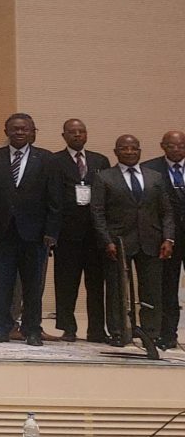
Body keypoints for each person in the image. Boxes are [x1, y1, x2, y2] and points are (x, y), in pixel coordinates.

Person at [0, 113, 63, 347]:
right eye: (14, 129)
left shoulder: (46, 159)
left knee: (33, 285)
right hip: (2, 232)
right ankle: (1, 328)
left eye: (24, 129)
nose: (19, 132)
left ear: (32, 132)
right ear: (6, 131)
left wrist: (51, 232)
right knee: (3, 283)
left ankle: (32, 330)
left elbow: (55, 200)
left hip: (36, 234)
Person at [92, 135, 174, 360]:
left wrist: (169, 239)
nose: (129, 152)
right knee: (118, 290)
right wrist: (106, 240)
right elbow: (97, 212)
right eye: (124, 148)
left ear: (139, 151)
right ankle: (118, 332)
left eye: (133, 148)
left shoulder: (155, 177)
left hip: (151, 241)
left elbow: (166, 211)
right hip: (118, 243)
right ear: (116, 151)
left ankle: (151, 333)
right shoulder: (105, 177)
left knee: (152, 290)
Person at [51, 117, 109, 342]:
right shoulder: (54, 161)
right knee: (66, 283)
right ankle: (68, 328)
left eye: (81, 131)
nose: (78, 135)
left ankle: (96, 330)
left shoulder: (100, 160)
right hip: (67, 234)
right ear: (64, 135)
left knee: (96, 284)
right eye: (72, 132)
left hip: (95, 234)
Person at [141, 130, 185, 350]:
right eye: (171, 145)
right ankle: (168, 334)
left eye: (180, 145)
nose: (176, 149)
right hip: (167, 238)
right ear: (162, 146)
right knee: (168, 288)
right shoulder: (150, 169)